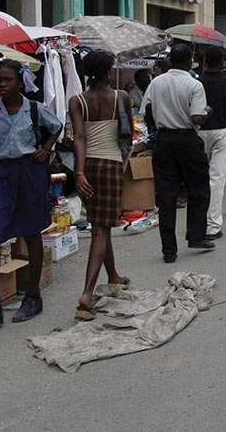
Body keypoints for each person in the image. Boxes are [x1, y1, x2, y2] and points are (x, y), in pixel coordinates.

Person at [0, 60, 62, 336]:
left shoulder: (34, 109)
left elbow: (56, 126)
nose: (2, 84)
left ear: (19, 82)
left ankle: (33, 296)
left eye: (8, 79)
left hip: (30, 172)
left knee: (32, 232)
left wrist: (45, 149)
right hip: (3, 174)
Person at [68, 50, 132, 321]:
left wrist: (79, 173)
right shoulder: (121, 97)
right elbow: (126, 133)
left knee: (99, 223)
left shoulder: (77, 100)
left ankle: (114, 275)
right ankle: (87, 293)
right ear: (108, 72)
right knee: (101, 231)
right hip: (111, 165)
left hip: (88, 166)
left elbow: (79, 137)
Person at [143, 44, 214, 263]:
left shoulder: (156, 82)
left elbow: (146, 112)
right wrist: (207, 112)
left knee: (166, 196)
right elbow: (196, 118)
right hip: (187, 139)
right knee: (199, 188)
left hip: (164, 140)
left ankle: (169, 249)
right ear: (188, 61)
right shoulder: (194, 84)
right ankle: (196, 235)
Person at [197, 46, 226, 240]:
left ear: (205, 62)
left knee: (200, 179)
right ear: (223, 62)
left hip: (199, 132)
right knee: (217, 179)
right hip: (221, 132)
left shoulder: (197, 83)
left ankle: (198, 223)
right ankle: (212, 225)